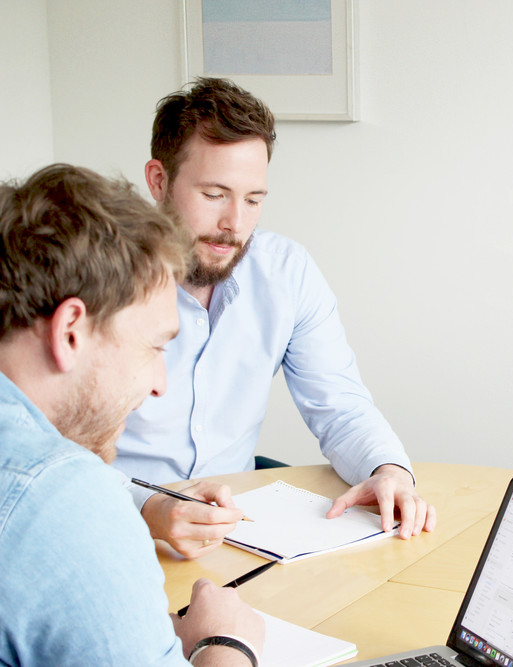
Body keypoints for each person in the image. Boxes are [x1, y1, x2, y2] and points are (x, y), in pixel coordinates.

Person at [112, 77, 435, 558]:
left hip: (235, 537)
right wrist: (144, 507)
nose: (235, 224)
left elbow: (340, 407)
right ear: (159, 180)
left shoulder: (287, 272)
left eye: (254, 199)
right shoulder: (96, 278)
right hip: (114, 529)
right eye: (214, 194)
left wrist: (388, 470)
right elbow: (42, 453)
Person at [0, 164, 264, 665]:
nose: (159, 383)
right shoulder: (60, 495)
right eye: (154, 347)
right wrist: (226, 643)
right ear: (71, 331)